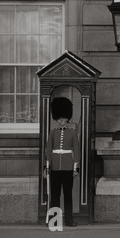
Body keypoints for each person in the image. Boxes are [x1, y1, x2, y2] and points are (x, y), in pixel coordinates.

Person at [44, 97, 80, 227]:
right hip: (54, 167)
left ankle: (69, 220)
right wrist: (46, 166)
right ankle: (55, 220)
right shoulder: (52, 133)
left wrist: (76, 168)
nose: (62, 121)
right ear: (57, 119)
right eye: (60, 119)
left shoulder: (72, 133)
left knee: (68, 195)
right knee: (55, 195)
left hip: (68, 167)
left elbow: (76, 150)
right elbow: (48, 149)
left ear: (67, 118)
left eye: (64, 119)